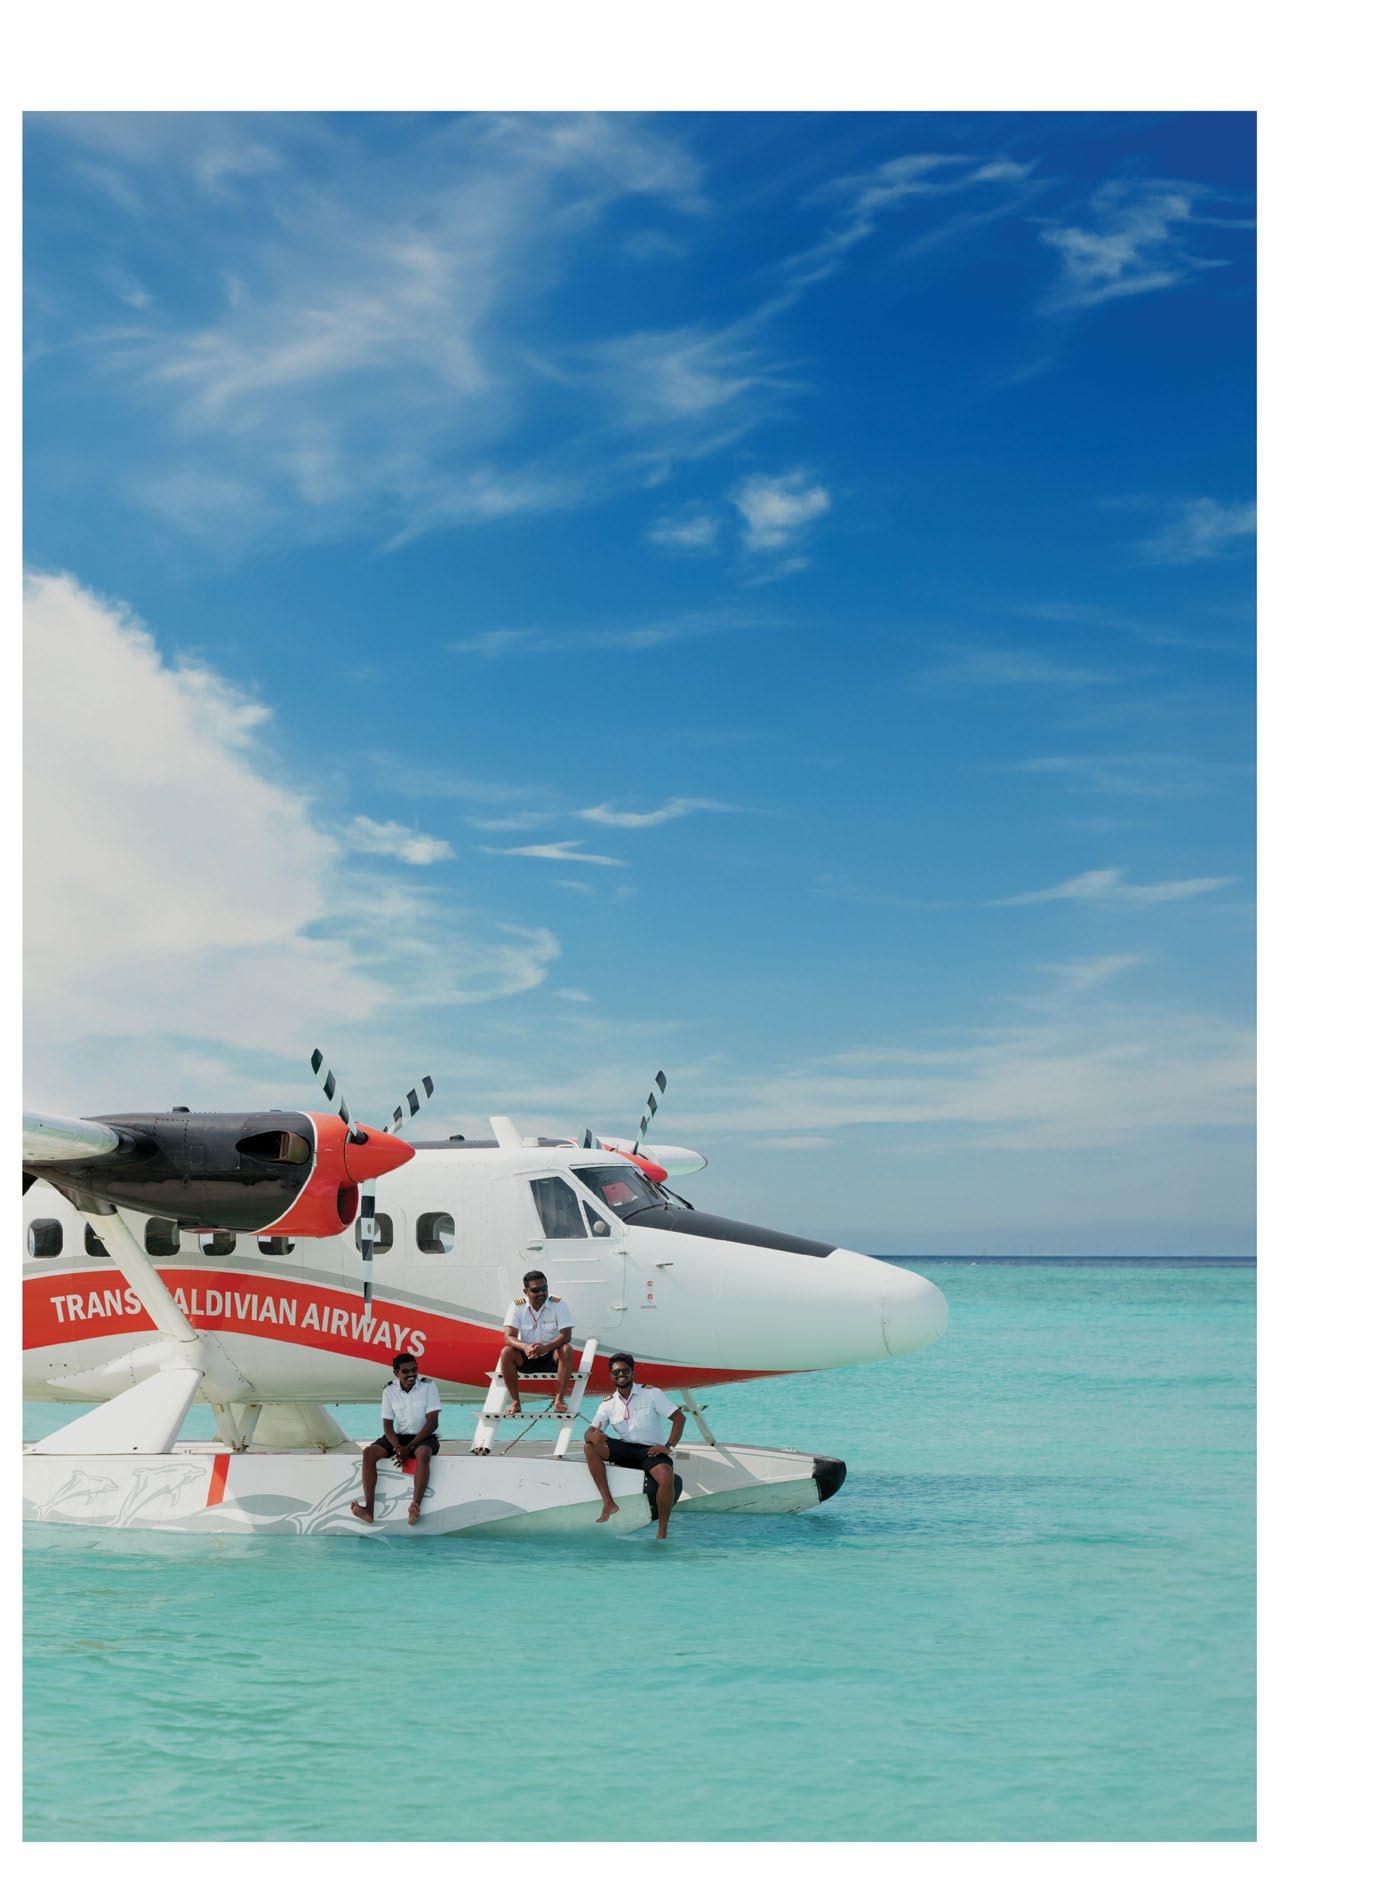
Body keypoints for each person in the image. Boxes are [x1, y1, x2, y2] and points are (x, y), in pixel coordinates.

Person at [584, 1351, 685, 1540]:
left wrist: (668, 1446)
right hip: (625, 1450)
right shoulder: (607, 1403)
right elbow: (588, 1433)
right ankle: (609, 1503)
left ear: (632, 1373)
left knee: (666, 1476)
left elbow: (679, 1418)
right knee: (589, 1446)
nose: (621, 1375)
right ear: (611, 1375)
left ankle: (662, 1532)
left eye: (625, 1371)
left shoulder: (651, 1393)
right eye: (616, 1372)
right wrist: (594, 1436)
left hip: (649, 1451)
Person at [351, 1352, 441, 1527]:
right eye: (406, 1371)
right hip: (399, 1438)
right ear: (396, 1373)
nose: (411, 1374)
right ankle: (369, 1510)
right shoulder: (389, 1390)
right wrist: (398, 1447)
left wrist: (409, 1447)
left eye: (414, 1370)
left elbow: (432, 1423)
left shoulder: (429, 1386)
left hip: (424, 1436)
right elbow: (387, 1426)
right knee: (369, 1453)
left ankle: (415, 1507)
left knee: (423, 1453)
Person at [499, 1270, 575, 1415]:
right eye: (535, 1290)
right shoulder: (517, 1306)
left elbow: (566, 1335)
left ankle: (559, 1400)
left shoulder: (558, 1304)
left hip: (550, 1355)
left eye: (544, 1288)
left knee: (566, 1349)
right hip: (526, 1356)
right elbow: (508, 1337)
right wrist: (525, 1347)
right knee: (506, 1352)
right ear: (525, 1291)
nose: (541, 1293)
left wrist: (545, 1348)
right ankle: (515, 1402)